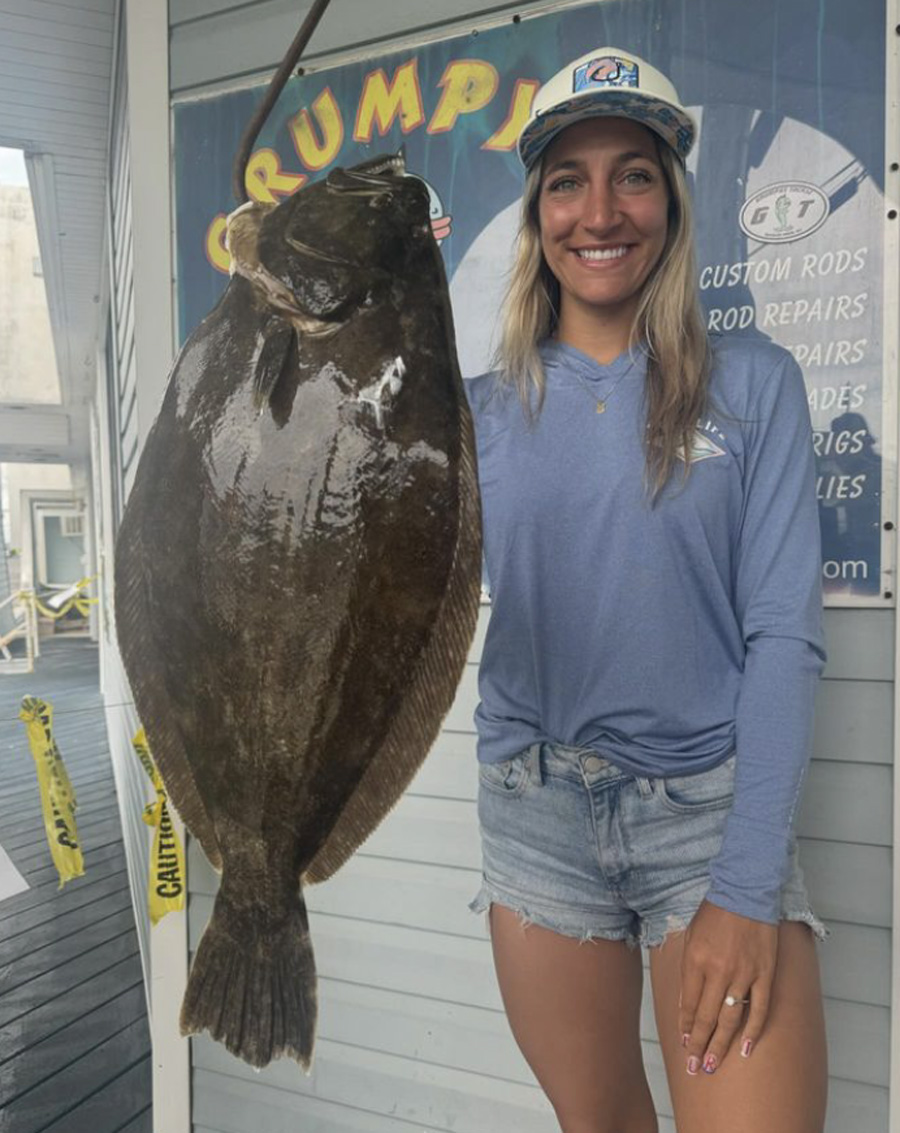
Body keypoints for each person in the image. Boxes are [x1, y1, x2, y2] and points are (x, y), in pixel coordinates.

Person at [465, 47, 828, 1133]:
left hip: (708, 820)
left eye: (633, 173)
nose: (599, 211)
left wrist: (746, 887)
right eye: (566, 181)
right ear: (537, 213)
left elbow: (784, 637)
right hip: (536, 810)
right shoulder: (472, 413)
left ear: (671, 197)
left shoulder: (755, 385)